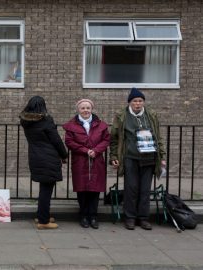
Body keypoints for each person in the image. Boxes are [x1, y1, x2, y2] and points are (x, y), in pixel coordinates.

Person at [110, 87, 166, 230]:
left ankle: (143, 218)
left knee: (145, 190)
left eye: (140, 101)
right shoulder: (121, 116)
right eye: (135, 101)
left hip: (149, 157)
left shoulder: (151, 115)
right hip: (130, 157)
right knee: (131, 189)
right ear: (130, 102)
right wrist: (114, 156)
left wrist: (162, 155)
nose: (138, 104)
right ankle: (130, 218)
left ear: (143, 102)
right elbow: (114, 139)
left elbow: (158, 136)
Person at [20, 96, 68, 229]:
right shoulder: (46, 120)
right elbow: (56, 140)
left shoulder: (25, 121)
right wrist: (64, 154)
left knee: (43, 189)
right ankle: (43, 221)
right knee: (46, 191)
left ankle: (42, 215)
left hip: (35, 157)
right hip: (49, 157)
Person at [63, 99, 110, 229]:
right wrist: (85, 150)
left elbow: (106, 140)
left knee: (95, 190)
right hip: (80, 161)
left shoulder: (101, 125)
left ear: (92, 109)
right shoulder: (71, 125)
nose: (85, 110)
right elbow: (69, 142)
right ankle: (83, 215)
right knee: (82, 189)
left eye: (88, 108)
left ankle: (93, 216)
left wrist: (96, 150)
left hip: (97, 160)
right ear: (78, 109)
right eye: (83, 108)